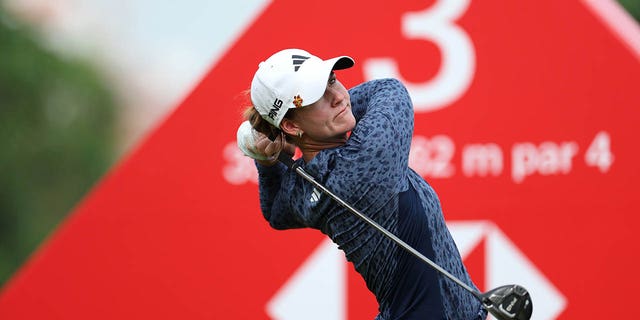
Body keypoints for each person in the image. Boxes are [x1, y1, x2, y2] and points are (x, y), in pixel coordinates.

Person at [238, 48, 487, 320]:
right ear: (290, 125)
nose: (337, 97)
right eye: (316, 97)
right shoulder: (366, 159)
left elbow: (275, 211)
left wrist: (268, 160)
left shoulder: (306, 186)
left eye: (331, 80)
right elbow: (390, 90)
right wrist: (276, 138)